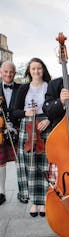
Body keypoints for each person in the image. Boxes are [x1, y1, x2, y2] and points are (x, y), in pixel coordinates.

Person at [13, 57, 51, 217]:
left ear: (43, 70)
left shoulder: (50, 86)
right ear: (29, 71)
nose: (36, 71)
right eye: (33, 68)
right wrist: (25, 113)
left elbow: (56, 108)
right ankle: (34, 202)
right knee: (30, 165)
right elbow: (14, 111)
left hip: (44, 127)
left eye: (39, 68)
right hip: (27, 128)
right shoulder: (23, 88)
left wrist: (49, 119)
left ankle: (44, 201)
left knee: (45, 164)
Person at [0, 61, 20, 205]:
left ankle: (22, 191)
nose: (8, 74)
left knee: (21, 161)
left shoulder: (22, 88)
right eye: (5, 71)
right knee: (0, 163)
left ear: (15, 73)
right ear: (1, 73)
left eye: (11, 72)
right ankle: (1, 192)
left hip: (18, 129)